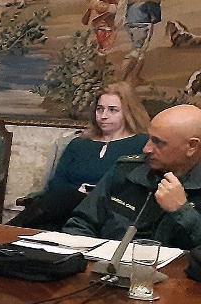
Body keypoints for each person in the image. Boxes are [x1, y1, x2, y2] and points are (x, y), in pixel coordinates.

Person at [10, 83, 149, 232]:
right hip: (65, 206)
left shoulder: (142, 144)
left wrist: (92, 194)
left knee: (54, 211)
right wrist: (78, 192)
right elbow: (57, 183)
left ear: (128, 112)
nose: (103, 116)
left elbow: (135, 187)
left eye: (112, 110)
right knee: (53, 215)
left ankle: (6, 232)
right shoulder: (79, 143)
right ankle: (7, 238)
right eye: (99, 109)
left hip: (107, 209)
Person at [63, 104, 201, 250]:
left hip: (172, 272)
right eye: (149, 139)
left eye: (158, 142)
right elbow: (81, 223)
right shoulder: (127, 169)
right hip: (105, 265)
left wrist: (182, 211)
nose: (146, 149)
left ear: (192, 146)